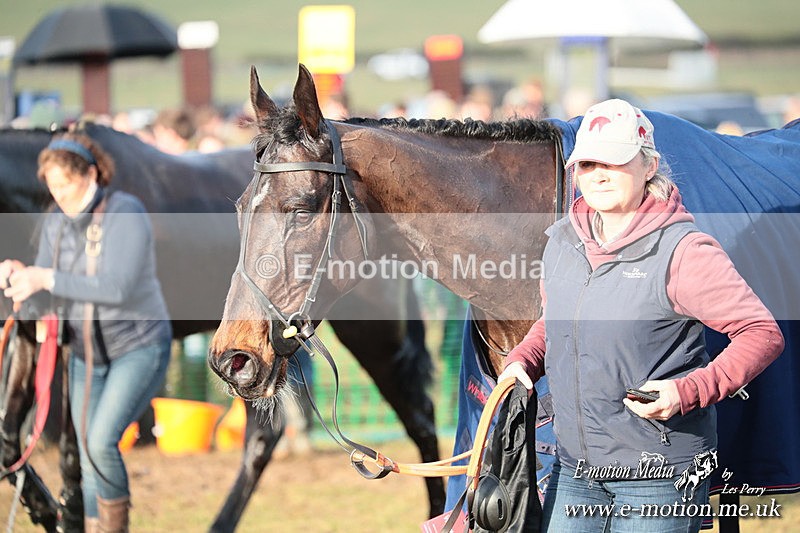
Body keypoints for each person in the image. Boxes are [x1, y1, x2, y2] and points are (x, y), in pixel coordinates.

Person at [497, 99, 784, 532]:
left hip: (660, 475)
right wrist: (524, 359)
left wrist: (688, 391)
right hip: (575, 469)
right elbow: (556, 319)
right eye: (587, 164)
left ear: (649, 165)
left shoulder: (684, 251)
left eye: (614, 161)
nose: (599, 174)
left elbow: (761, 333)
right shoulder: (561, 242)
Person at [0, 131, 172, 532]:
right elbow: (49, 289)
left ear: (91, 174)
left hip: (138, 347)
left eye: (65, 183)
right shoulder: (56, 223)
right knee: (87, 450)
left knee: (99, 443)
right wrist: (21, 278)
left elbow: (116, 287)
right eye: (52, 186)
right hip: (85, 353)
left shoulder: (124, 212)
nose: (58, 194)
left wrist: (46, 277)